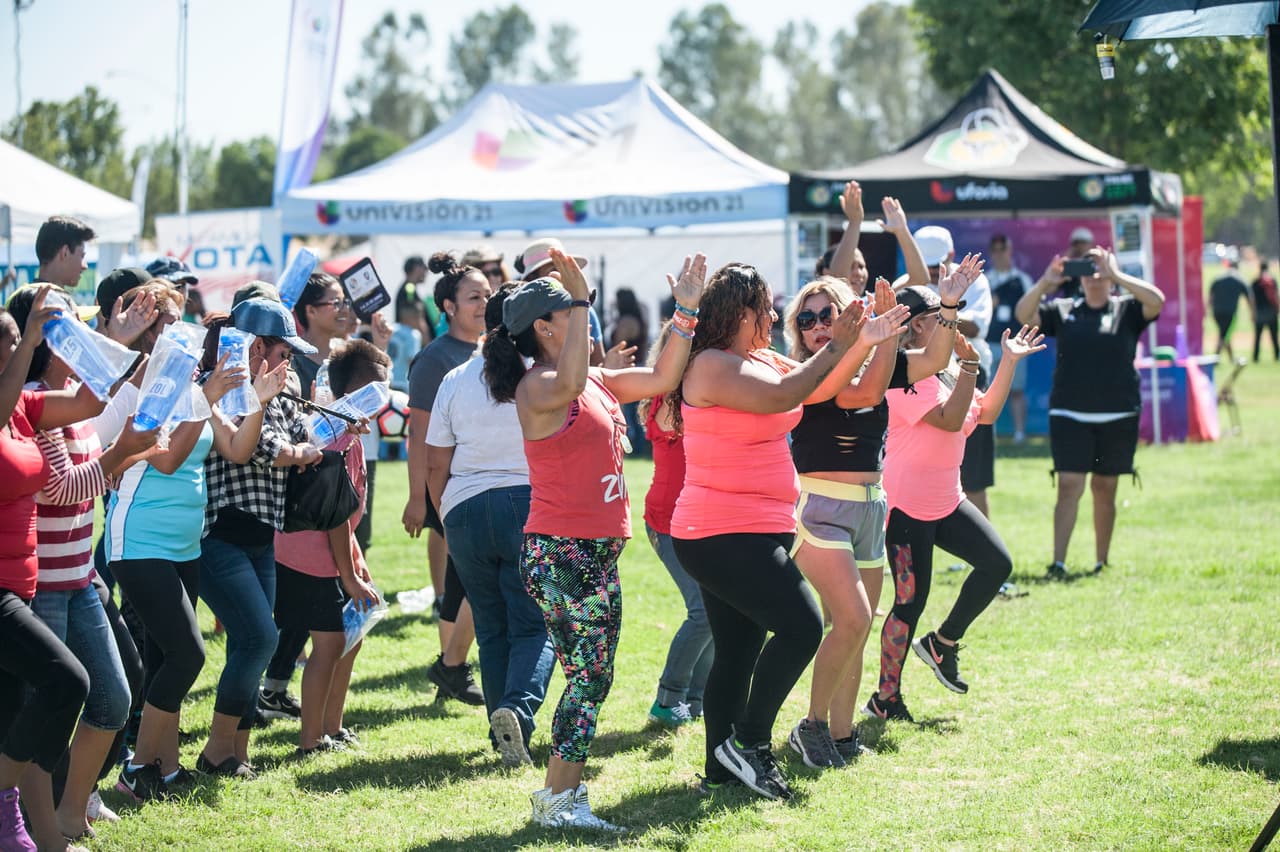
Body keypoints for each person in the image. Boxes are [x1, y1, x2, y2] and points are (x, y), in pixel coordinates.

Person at [481, 249, 706, 830]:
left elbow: (662, 377)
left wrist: (684, 311)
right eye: (571, 313)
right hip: (564, 552)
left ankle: (558, 796)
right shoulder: (538, 387)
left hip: (589, 554)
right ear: (544, 327)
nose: (586, 317)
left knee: (590, 675)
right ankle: (560, 800)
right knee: (590, 677)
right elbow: (574, 377)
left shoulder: (593, 381)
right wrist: (580, 295)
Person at [669, 262, 906, 801]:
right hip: (718, 531)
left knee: (739, 649)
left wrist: (864, 339)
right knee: (801, 625)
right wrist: (836, 344)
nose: (777, 315)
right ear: (741, 312)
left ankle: (720, 769)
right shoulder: (709, 365)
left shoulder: (758, 358)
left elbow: (816, 390)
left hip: (757, 527)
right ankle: (752, 745)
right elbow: (784, 395)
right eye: (767, 307)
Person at [783, 262, 976, 768]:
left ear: (849, 310)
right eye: (807, 319)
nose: (818, 323)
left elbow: (936, 356)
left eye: (828, 313)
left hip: (871, 507)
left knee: (857, 628)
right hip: (820, 508)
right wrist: (881, 334)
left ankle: (842, 736)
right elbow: (862, 396)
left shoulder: (875, 363)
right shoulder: (804, 372)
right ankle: (811, 727)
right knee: (852, 620)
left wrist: (948, 305)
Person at [4, 287, 157, 838]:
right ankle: (35, 823)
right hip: (43, 582)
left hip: (79, 577)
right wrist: (124, 454)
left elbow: (96, 426)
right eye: (66, 329)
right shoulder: (25, 399)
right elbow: (61, 487)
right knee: (50, 709)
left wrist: (120, 342)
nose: (79, 336)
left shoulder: (65, 395)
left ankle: (69, 810)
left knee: (112, 700)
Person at [869, 286, 1044, 722]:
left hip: (948, 500)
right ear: (911, 326)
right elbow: (948, 423)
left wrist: (1007, 361)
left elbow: (983, 413)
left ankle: (942, 643)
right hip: (907, 509)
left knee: (996, 564)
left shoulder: (947, 372)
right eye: (934, 317)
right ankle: (885, 699)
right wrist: (969, 366)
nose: (948, 326)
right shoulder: (898, 374)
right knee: (910, 602)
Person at [425, 283, 554, 768]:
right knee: (536, 625)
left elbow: (437, 464)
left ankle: (504, 737)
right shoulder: (543, 375)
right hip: (527, 505)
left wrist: (448, 522)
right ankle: (517, 713)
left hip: (463, 511)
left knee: (494, 628)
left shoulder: (456, 377)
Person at [198, 298, 320, 778]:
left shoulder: (275, 388)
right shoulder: (220, 387)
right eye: (283, 349)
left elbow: (304, 434)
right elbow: (263, 450)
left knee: (248, 643)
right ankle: (215, 750)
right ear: (257, 346)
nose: (289, 360)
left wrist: (310, 439)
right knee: (258, 639)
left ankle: (237, 753)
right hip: (217, 535)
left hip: (258, 536)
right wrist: (297, 448)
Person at [1015, 247, 1165, 579]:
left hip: (1118, 413)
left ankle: (1101, 562)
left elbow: (1157, 301)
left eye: (1100, 269)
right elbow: (1024, 314)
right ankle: (1058, 563)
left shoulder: (1127, 308)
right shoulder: (1065, 309)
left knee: (1105, 487)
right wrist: (1045, 282)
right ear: (1079, 277)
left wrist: (1118, 275)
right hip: (1070, 412)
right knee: (1069, 485)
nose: (1095, 277)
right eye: (1089, 269)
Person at [274, 340, 385, 756]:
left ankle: (332, 728)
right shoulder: (333, 437)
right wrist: (350, 576)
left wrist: (355, 564)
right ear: (355, 395)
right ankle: (311, 740)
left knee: (351, 638)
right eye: (376, 392)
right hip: (310, 553)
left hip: (339, 550)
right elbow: (335, 516)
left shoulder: (349, 432)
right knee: (330, 644)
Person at [402, 252, 489, 706]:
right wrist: (418, 498)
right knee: (466, 583)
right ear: (449, 307)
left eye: (488, 296)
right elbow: (418, 433)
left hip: (479, 485)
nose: (483, 304)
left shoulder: (492, 350)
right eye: (474, 297)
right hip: (448, 490)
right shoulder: (435, 359)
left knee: (462, 584)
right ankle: (451, 666)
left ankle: (450, 670)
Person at [639, 322, 709, 729]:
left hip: (701, 519)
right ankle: (668, 700)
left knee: (719, 609)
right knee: (703, 611)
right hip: (668, 521)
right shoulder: (668, 399)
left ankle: (695, 701)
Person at [911, 225, 995, 517]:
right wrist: (947, 312)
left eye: (937, 264)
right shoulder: (911, 280)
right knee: (917, 471)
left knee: (973, 474)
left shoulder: (974, 279)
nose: (933, 272)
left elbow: (977, 326)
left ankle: (975, 544)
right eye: (927, 265)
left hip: (966, 372)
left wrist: (940, 313)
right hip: (923, 378)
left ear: (950, 255)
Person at [820, 183, 929, 301]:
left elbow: (919, 280)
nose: (858, 273)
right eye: (851, 266)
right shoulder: (821, 307)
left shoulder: (874, 303)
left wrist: (902, 231)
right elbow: (838, 279)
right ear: (826, 273)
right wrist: (855, 221)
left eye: (861, 267)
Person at [515, 238, 612, 368]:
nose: (562, 275)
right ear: (534, 280)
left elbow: (596, 363)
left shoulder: (585, 308)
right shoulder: (520, 316)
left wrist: (609, 368)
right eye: (554, 269)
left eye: (564, 268)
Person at [985, 234, 1034, 443]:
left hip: (1014, 345)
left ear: (1009, 250)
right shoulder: (985, 280)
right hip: (988, 344)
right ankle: (987, 435)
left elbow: (1031, 310)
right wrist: (990, 304)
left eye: (1002, 249)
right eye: (994, 250)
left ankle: (1020, 433)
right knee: (986, 393)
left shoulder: (1022, 279)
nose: (999, 254)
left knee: (1016, 391)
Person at [35, 217, 96, 291]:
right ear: (65, 253)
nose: (85, 266)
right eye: (81, 256)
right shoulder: (52, 300)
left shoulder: (21, 296)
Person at [1207, 261, 1252, 360]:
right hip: (1230, 312)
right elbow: (1249, 298)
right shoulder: (1239, 279)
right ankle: (1216, 357)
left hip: (1217, 312)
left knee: (1225, 333)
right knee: (1224, 334)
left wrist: (1207, 310)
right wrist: (1252, 312)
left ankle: (1230, 357)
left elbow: (1210, 296)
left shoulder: (1218, 278)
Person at [1252, 261, 1279, 362]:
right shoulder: (1272, 281)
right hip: (1271, 312)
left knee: (1258, 336)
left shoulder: (1256, 282)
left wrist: (1253, 313)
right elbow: (1276, 296)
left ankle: (1255, 357)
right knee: (1274, 336)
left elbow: (1252, 299)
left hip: (1260, 312)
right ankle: (1277, 355)